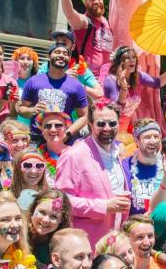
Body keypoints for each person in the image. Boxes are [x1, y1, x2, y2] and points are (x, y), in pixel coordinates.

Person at [55, 100, 130, 246]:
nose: (107, 128)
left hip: (114, 239)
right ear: (90, 125)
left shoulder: (117, 151)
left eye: (112, 123)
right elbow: (61, 201)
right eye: (101, 124)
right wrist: (104, 206)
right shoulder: (73, 155)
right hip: (86, 242)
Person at [18, 44, 89, 137]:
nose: (62, 55)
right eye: (57, 52)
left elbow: (84, 116)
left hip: (63, 139)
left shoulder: (76, 85)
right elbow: (21, 109)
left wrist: (68, 134)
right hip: (37, 138)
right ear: (49, 56)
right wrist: (33, 110)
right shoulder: (33, 81)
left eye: (65, 54)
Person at [60, 0, 113, 74]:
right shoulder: (85, 22)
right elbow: (69, 14)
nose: (97, 1)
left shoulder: (106, 22)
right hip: (87, 79)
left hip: (106, 80)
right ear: (85, 2)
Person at [103, 45, 166, 110]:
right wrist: (124, 88)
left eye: (133, 57)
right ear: (120, 62)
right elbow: (116, 109)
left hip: (128, 125)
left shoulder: (138, 76)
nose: (132, 60)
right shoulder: (111, 80)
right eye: (127, 58)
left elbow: (158, 82)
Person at [124, 119, 163, 214]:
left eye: (156, 136)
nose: (153, 141)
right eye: (147, 137)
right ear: (136, 141)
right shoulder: (123, 166)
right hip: (132, 225)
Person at [26, 189, 71, 266]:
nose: (45, 220)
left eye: (53, 217)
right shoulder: (19, 232)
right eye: (42, 212)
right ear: (33, 209)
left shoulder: (60, 246)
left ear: (61, 220)